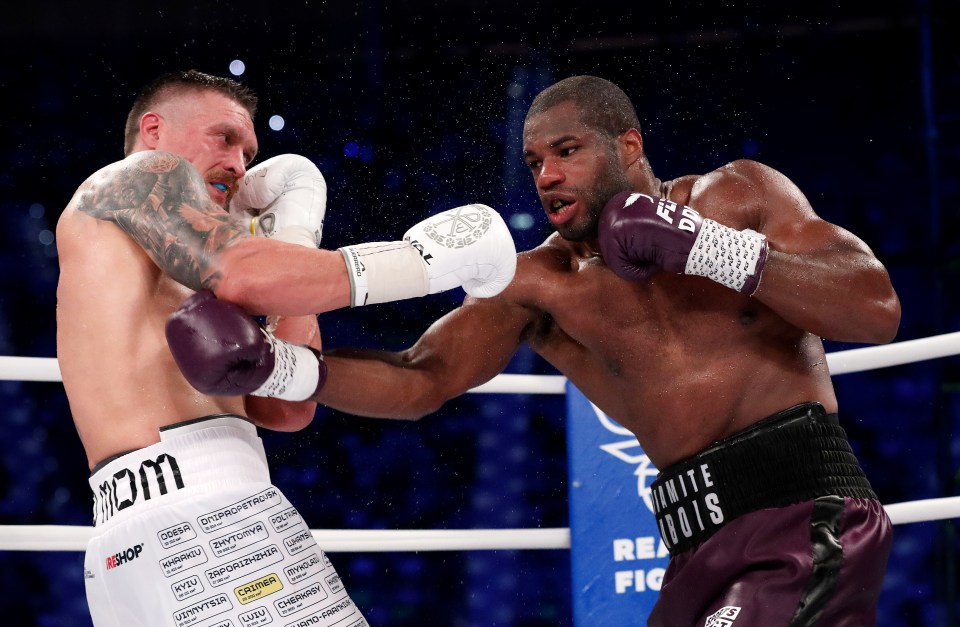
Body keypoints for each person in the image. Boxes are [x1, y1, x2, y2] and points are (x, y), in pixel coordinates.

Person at [167, 75, 901, 626]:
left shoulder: (733, 199)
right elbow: (422, 378)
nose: (546, 175)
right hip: (697, 548)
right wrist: (282, 368)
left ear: (630, 147)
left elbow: (875, 307)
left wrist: (704, 246)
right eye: (535, 160)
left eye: (567, 151)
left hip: (807, 515)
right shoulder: (539, 286)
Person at [56, 69, 516, 627]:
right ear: (153, 130)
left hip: (131, 545)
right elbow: (242, 274)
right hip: (212, 522)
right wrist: (417, 262)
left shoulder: (176, 256)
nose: (240, 164)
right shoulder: (131, 178)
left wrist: (293, 238)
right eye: (223, 138)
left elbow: (285, 408)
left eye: (248, 151)